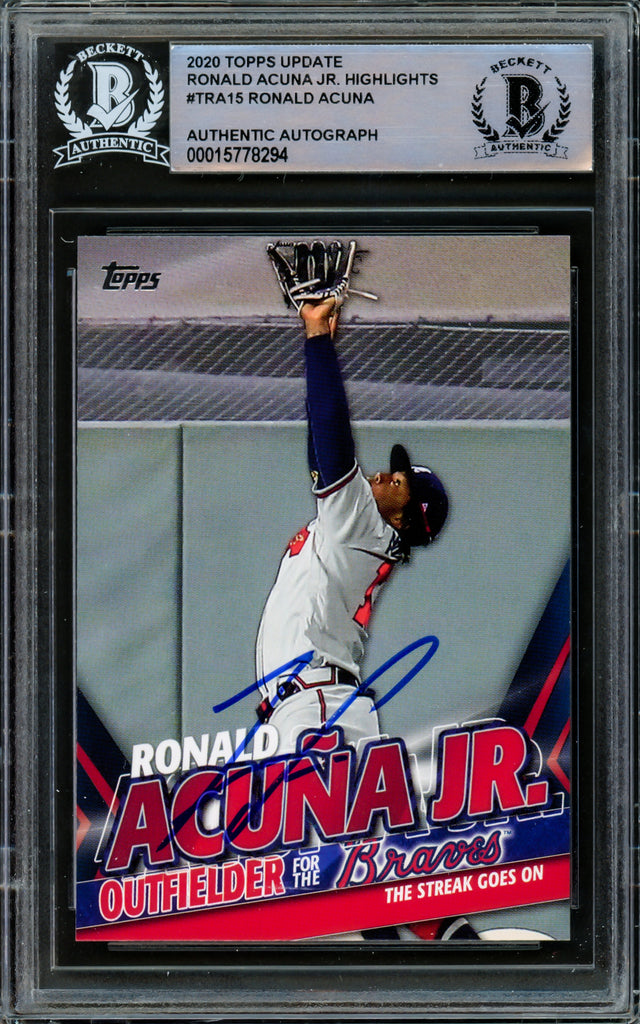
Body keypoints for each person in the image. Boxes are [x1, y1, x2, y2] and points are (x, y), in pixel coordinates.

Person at [254, 297, 448, 757]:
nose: (382, 475)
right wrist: (319, 347)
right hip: (318, 705)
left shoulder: (362, 525)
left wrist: (317, 339)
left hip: (317, 707)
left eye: (396, 483)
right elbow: (322, 450)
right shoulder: (361, 529)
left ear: (402, 518)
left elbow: (332, 432)